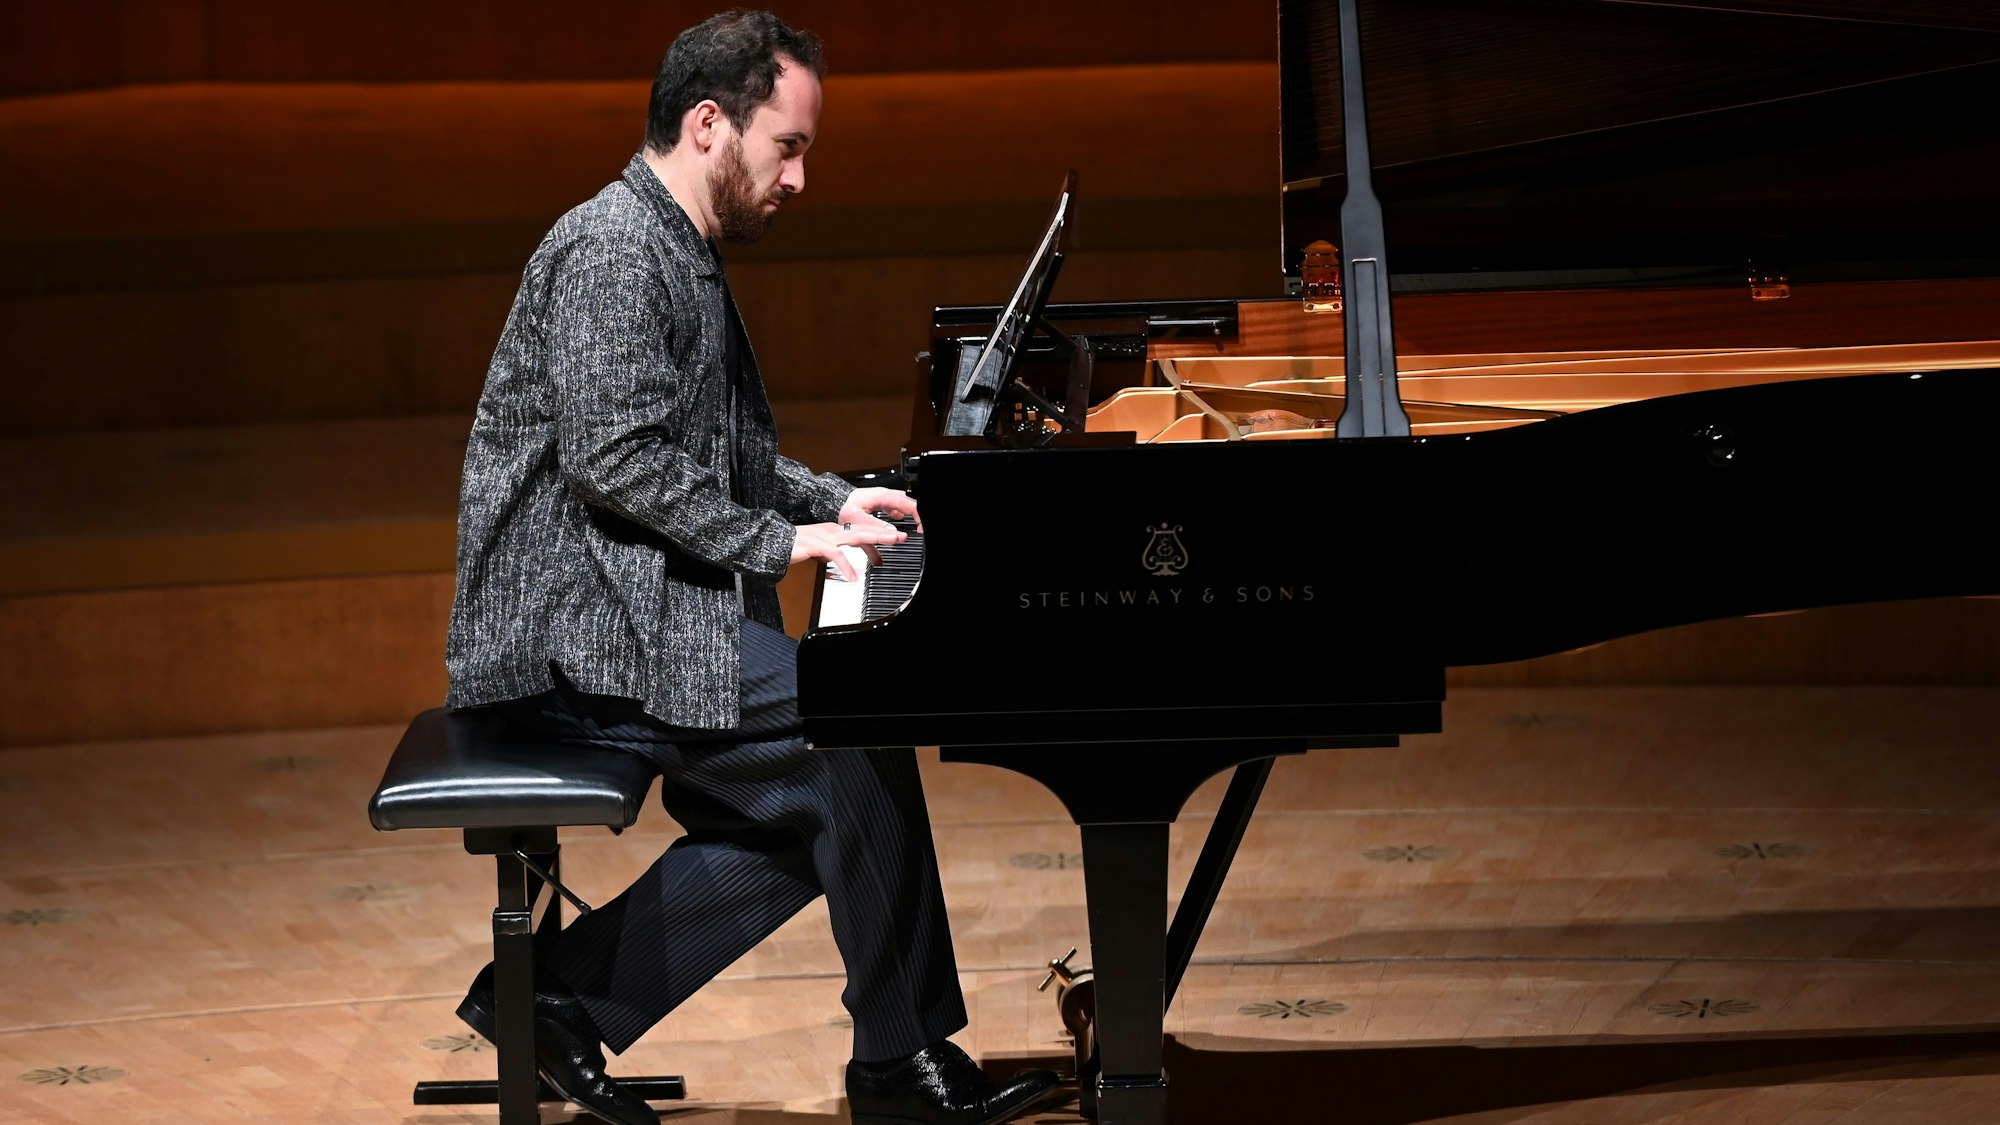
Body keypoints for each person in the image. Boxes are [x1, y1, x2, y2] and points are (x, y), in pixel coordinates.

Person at [442, 11, 1061, 1125]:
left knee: (808, 799)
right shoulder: (611, 249)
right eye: (788, 146)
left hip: (635, 612)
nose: (799, 177)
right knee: (851, 727)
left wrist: (832, 503)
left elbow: (716, 456)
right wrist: (783, 544)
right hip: (572, 636)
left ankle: (557, 998)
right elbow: (615, 460)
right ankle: (900, 1067)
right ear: (708, 124)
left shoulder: (672, 246)